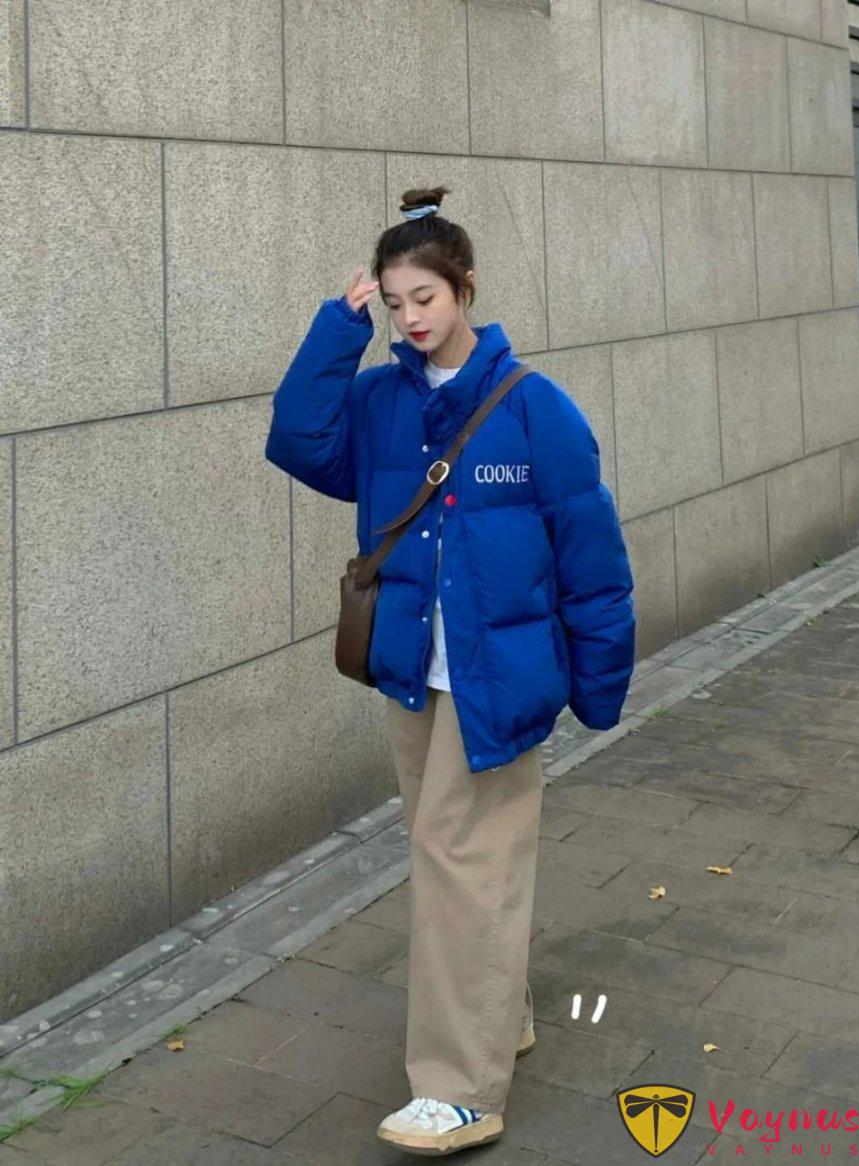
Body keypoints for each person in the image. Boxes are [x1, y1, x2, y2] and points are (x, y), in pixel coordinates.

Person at [264, 185, 636, 1155]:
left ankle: (458, 1086)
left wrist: (598, 684)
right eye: (393, 303)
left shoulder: (534, 409)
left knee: (459, 867)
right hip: (409, 676)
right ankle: (497, 1010)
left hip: (496, 681)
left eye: (423, 297)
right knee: (460, 865)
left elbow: (591, 557)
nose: (410, 318)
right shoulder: (382, 402)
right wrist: (336, 331)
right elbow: (296, 440)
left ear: (465, 287)